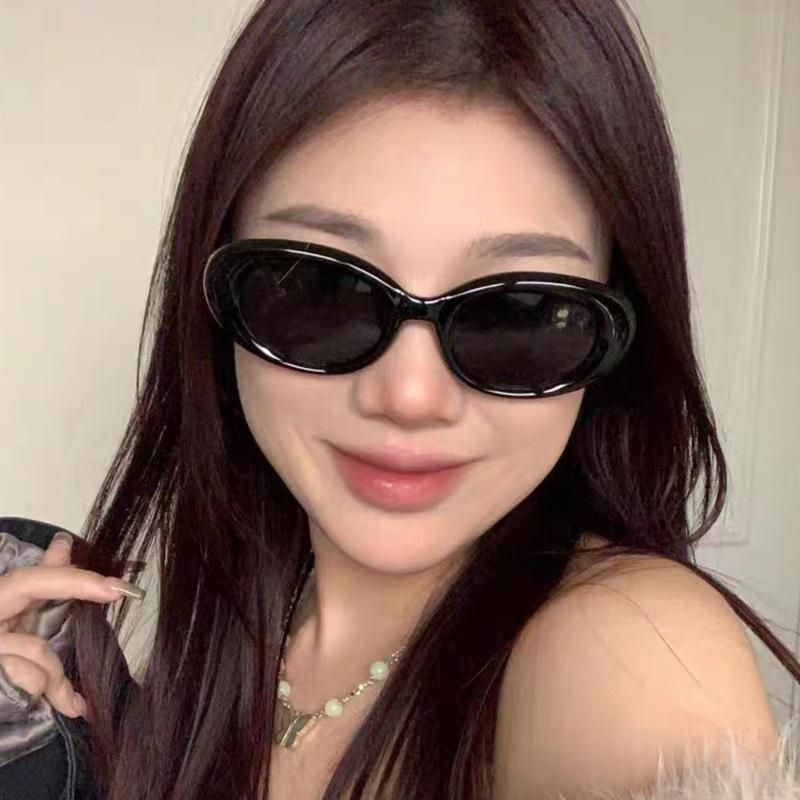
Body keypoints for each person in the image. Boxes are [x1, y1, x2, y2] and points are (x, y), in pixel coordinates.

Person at [1, 1, 799, 798]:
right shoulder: (206, 635)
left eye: (516, 313)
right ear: (218, 299)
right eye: (321, 289)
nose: (411, 396)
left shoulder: (629, 651)